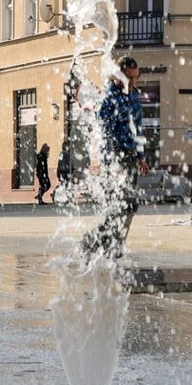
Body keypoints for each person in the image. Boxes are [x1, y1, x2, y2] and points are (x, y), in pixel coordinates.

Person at [83, 55, 150, 258]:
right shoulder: (108, 98)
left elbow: (137, 129)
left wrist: (141, 156)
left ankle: (105, 243)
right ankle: (106, 243)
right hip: (116, 160)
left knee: (129, 205)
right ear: (119, 75)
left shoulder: (133, 96)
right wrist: (111, 163)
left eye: (136, 78)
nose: (134, 82)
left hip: (130, 158)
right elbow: (104, 134)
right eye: (130, 78)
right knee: (119, 205)